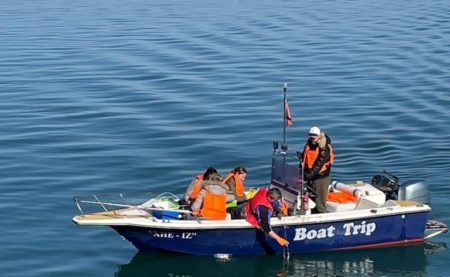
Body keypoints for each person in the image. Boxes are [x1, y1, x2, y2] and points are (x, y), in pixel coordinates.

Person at [300, 126, 335, 213]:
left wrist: (307, 176)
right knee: (310, 200)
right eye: (310, 135)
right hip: (310, 176)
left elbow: (319, 165)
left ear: (319, 136)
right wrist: (301, 171)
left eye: (314, 135)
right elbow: (304, 158)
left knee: (319, 203)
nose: (312, 137)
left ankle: (323, 218)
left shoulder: (324, 148)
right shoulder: (309, 144)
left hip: (321, 177)